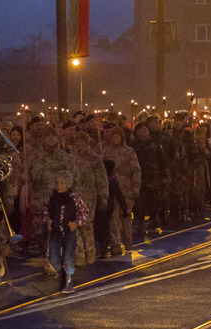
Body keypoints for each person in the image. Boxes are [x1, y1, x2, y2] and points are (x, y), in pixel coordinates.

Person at [42, 170, 89, 294]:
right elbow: (45, 209)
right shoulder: (51, 198)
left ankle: (69, 282)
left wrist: (76, 223)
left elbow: (84, 212)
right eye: (57, 182)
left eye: (62, 183)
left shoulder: (74, 198)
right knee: (53, 258)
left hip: (69, 232)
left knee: (68, 257)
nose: (59, 185)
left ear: (68, 184)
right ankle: (62, 274)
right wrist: (47, 220)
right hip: (55, 232)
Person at [69, 131, 108, 266]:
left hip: (90, 196)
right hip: (74, 196)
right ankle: (79, 254)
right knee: (75, 225)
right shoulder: (71, 158)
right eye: (77, 141)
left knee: (87, 224)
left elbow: (102, 179)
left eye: (82, 141)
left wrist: (104, 196)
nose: (79, 143)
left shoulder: (94, 159)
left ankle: (90, 248)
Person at [102, 126, 140, 255]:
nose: (115, 138)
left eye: (118, 136)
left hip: (126, 190)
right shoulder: (107, 152)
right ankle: (116, 243)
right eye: (113, 136)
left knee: (126, 216)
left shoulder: (129, 152)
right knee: (114, 218)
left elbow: (135, 171)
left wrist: (135, 188)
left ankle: (128, 241)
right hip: (112, 190)